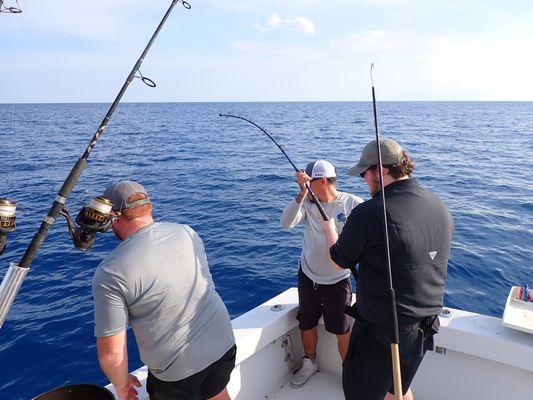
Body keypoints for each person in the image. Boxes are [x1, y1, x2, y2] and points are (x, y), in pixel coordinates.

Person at [323, 139, 454, 400]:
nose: (363, 179)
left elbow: (339, 259)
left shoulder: (369, 213)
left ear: (381, 170)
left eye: (364, 173)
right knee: (399, 390)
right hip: (423, 330)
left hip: (381, 334)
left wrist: (329, 229)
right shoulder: (439, 206)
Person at [92, 180, 236, 400]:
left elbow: (112, 355)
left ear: (113, 216)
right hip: (223, 344)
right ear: (148, 206)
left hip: (178, 372)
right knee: (216, 392)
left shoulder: (110, 272)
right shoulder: (186, 231)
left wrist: (121, 384)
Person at [280, 160, 364, 387]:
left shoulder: (352, 204)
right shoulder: (306, 203)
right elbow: (286, 223)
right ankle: (310, 362)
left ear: (323, 181)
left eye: (309, 182)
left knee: (342, 329)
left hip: (337, 280)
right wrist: (300, 194)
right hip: (308, 276)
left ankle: (350, 374)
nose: (306, 186)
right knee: (306, 323)